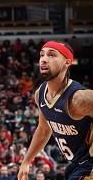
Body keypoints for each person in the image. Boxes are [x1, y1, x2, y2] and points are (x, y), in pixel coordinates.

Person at [17, 41, 93, 180]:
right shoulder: (40, 94)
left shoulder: (79, 98)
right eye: (42, 55)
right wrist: (26, 161)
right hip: (76, 164)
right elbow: (44, 130)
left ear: (67, 62)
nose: (44, 59)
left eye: (52, 55)